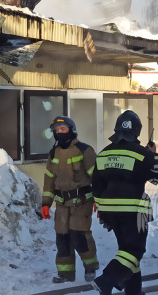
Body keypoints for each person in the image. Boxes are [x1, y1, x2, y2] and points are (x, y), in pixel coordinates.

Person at [91, 110, 158, 295]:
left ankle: (133, 291)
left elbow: (96, 186)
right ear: (137, 131)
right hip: (134, 211)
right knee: (134, 251)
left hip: (110, 211)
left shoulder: (103, 154)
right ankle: (106, 280)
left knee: (126, 252)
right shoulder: (141, 154)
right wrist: (154, 155)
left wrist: (104, 211)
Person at [41, 116, 99, 283]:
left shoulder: (84, 150)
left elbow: (97, 178)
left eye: (63, 129)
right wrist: (46, 203)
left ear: (71, 130)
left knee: (79, 235)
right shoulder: (54, 153)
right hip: (61, 204)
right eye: (57, 131)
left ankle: (90, 267)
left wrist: (100, 201)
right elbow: (49, 181)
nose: (59, 133)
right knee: (62, 238)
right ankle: (66, 273)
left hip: (82, 202)